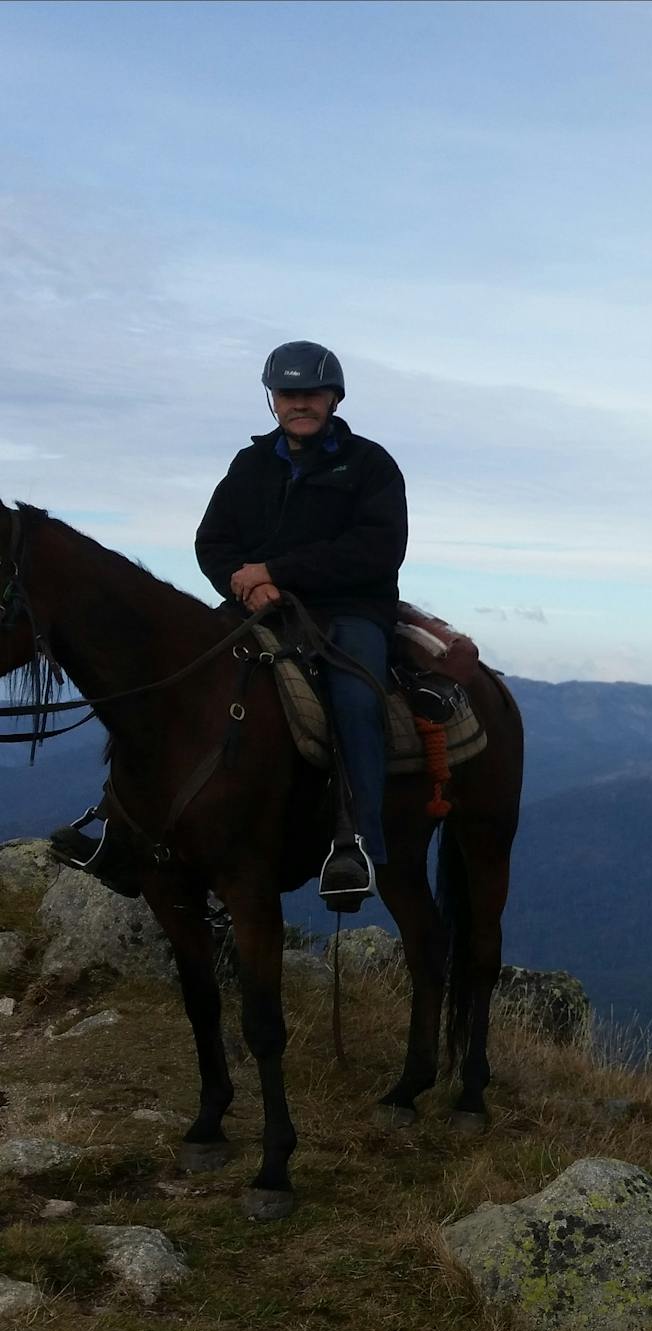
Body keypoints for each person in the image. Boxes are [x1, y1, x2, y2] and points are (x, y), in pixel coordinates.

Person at [190, 340, 409, 910]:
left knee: (357, 699)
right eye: (288, 394)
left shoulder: (370, 465)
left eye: (310, 393)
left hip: (349, 609)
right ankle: (122, 821)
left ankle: (359, 842)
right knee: (185, 672)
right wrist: (244, 582)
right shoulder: (250, 465)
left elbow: (376, 551)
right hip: (258, 606)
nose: (299, 404)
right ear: (273, 400)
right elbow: (213, 541)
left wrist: (276, 572)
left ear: (333, 397)